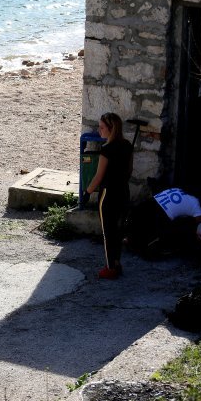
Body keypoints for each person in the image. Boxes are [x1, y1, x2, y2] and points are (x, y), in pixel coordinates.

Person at [85, 113, 134, 279]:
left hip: (108, 194)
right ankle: (117, 262)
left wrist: (87, 192)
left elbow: (98, 176)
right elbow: (129, 170)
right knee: (118, 230)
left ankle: (110, 267)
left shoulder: (106, 150)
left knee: (108, 232)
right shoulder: (127, 145)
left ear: (111, 129)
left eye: (102, 127)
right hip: (123, 191)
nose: (99, 130)